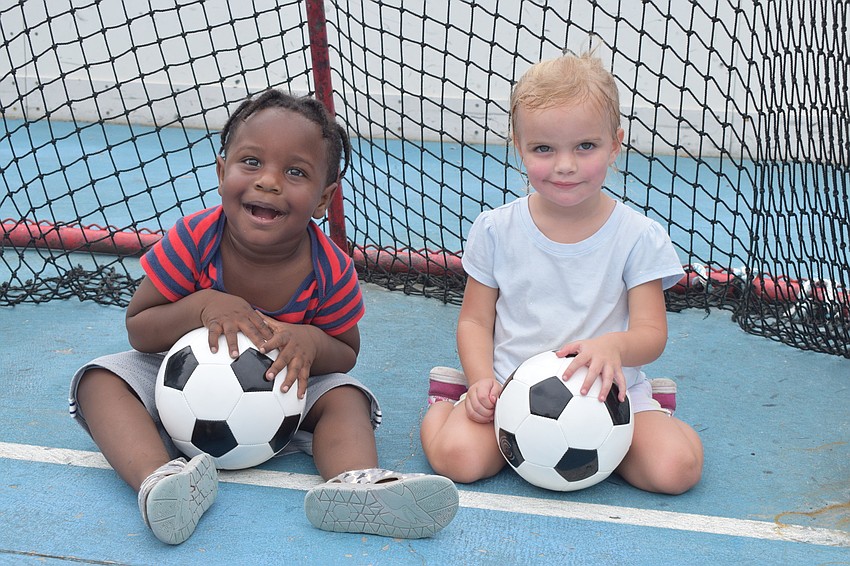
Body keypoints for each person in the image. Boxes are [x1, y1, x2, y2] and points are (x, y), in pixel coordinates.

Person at [69, 89, 458, 545]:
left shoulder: (329, 267)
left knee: (346, 397)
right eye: (251, 162)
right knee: (99, 379)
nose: (269, 181)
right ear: (221, 172)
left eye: (295, 171)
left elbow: (346, 352)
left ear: (322, 198)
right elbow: (140, 327)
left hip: (290, 392)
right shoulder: (195, 237)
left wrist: (310, 343)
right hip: (180, 387)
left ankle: (356, 485)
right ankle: (160, 481)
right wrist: (201, 305)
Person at [420, 51, 704, 494]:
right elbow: (475, 320)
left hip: (613, 393)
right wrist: (481, 381)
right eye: (544, 149)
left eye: (585, 146)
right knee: (460, 460)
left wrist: (612, 346)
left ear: (616, 144)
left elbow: (652, 334)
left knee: (676, 471)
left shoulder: (638, 237)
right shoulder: (496, 230)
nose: (565, 165)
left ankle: (657, 408)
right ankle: (445, 400)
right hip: (512, 389)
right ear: (519, 149)